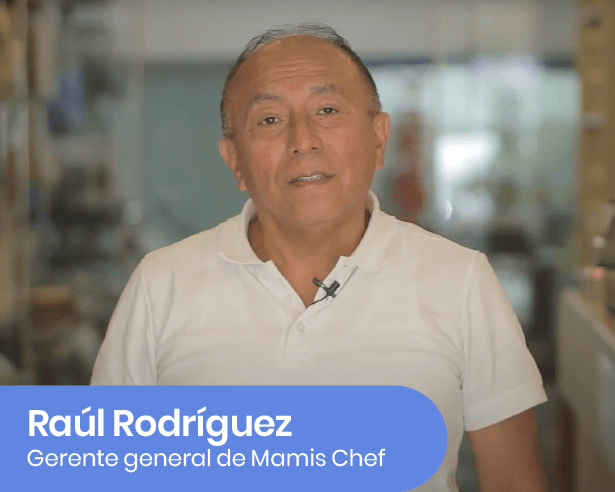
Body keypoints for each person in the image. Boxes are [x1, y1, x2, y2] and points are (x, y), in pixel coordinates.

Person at [91, 24, 548, 491]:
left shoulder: (461, 281)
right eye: (269, 119)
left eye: (327, 110)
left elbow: (513, 481)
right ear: (234, 160)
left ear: (378, 138)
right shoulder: (160, 285)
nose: (302, 140)